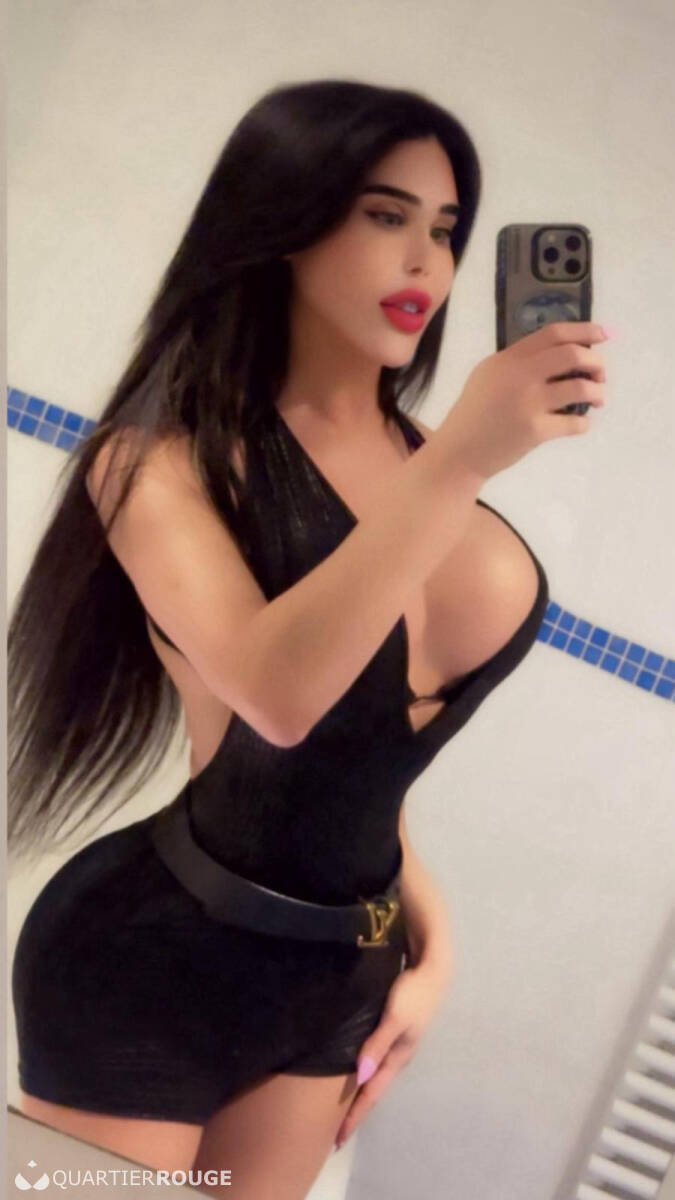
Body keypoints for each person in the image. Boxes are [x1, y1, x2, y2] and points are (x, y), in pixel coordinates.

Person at [8, 78, 608, 1198]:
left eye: (446, 230)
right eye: (385, 215)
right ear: (284, 220)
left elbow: (355, 769)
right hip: (146, 960)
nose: (425, 261)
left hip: (334, 982)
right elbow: (282, 701)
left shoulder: (431, 460)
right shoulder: (156, 462)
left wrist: (429, 942)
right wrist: (461, 460)